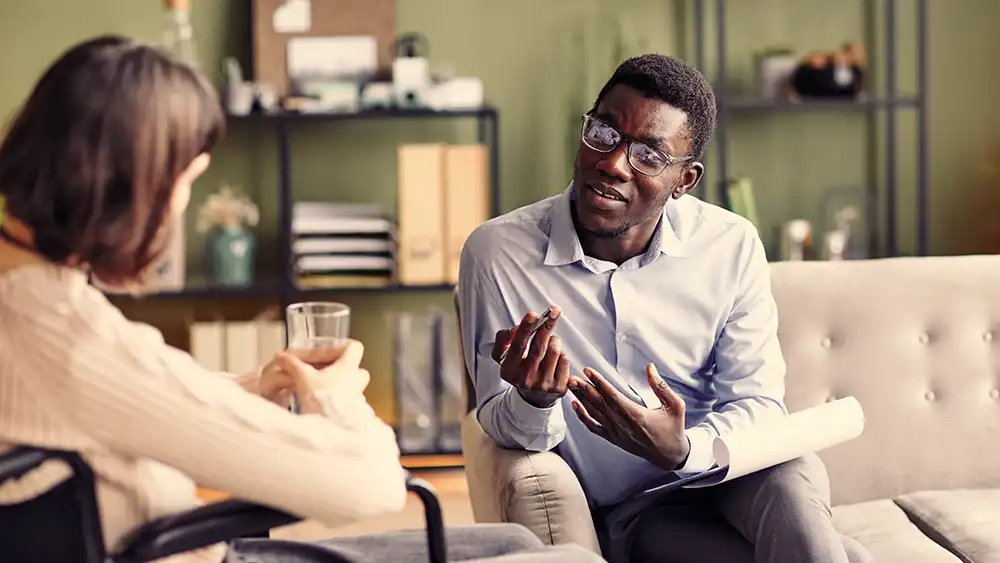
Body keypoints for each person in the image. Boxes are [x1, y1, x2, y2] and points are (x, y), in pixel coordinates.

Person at [0, 35, 605, 563]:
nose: (182, 207)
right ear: (129, 192)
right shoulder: (63, 334)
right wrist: (334, 396)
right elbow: (370, 486)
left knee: (525, 548)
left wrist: (250, 389)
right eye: (186, 182)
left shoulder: (28, 296)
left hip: (164, 538)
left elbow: (117, 403)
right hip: (190, 552)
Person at [458, 54, 874, 563]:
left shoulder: (730, 243)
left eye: (649, 156)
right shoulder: (498, 253)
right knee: (841, 556)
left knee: (791, 472)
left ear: (686, 180)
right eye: (604, 134)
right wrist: (532, 399)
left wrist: (682, 450)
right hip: (636, 513)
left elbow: (760, 405)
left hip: (730, 476)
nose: (612, 164)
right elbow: (493, 422)